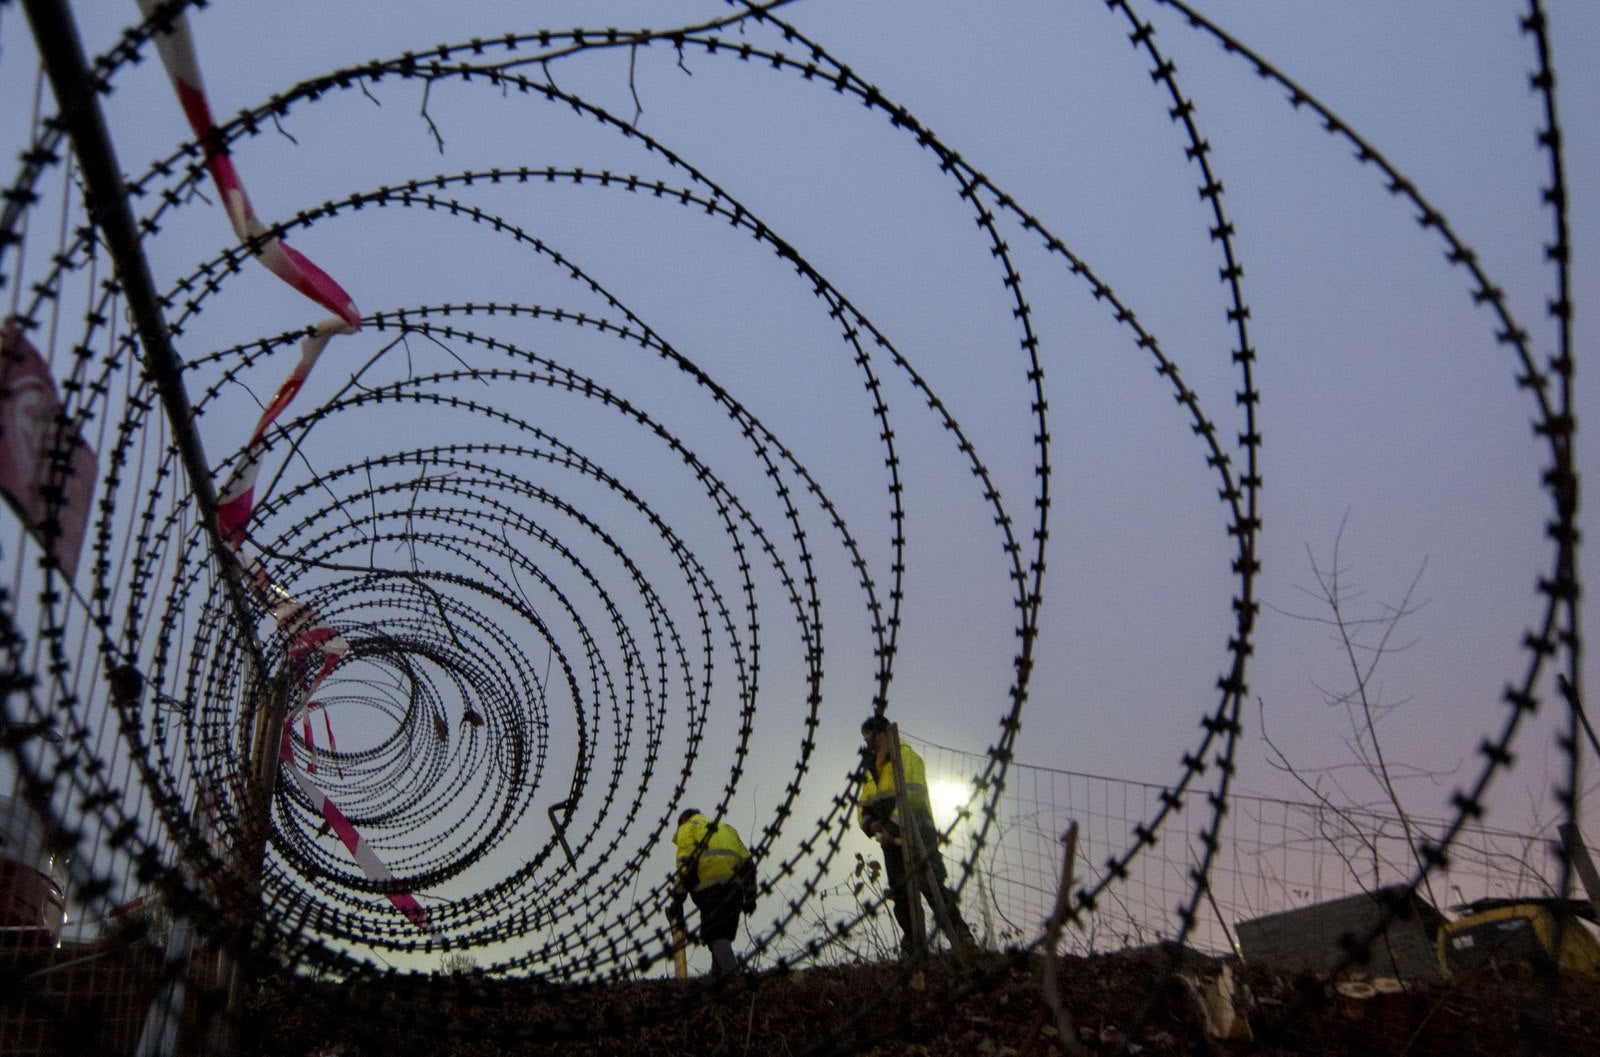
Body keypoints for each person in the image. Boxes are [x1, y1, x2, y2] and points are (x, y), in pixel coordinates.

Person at [858, 715, 975, 956]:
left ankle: (960, 934)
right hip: (889, 841)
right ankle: (913, 943)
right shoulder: (869, 770)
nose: (867, 743)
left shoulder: (907, 758)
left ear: (884, 734)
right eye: (865, 739)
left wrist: (891, 827)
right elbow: (862, 804)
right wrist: (871, 825)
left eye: (870, 737)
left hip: (919, 833)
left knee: (931, 884)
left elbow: (912, 795)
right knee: (900, 890)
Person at [671, 808, 755, 977]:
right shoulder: (726, 829)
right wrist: (751, 894)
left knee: (714, 934)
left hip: (709, 887)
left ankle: (734, 977)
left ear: (683, 820)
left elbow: (685, 866)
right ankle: (717, 977)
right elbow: (748, 865)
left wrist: (678, 899)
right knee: (722, 934)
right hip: (735, 888)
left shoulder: (687, 828)